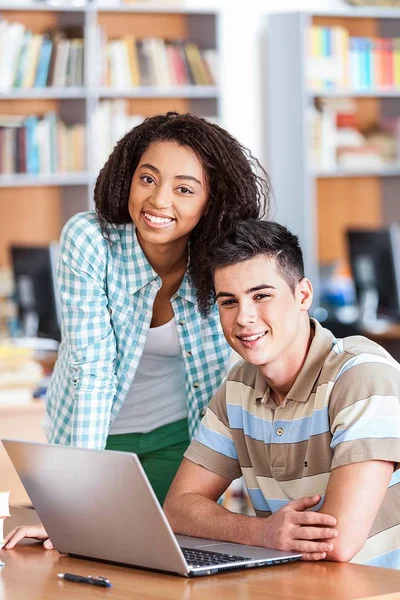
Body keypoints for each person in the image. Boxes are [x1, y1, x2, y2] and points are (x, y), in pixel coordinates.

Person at [42, 113, 269, 504]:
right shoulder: (90, 240)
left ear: (211, 201)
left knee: (175, 555)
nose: (159, 200)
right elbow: (92, 371)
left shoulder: (223, 258)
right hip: (96, 434)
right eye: (148, 179)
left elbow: (252, 346)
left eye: (184, 189)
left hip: (180, 437)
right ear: (127, 177)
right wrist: (78, 488)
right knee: (88, 547)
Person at [161, 219, 400, 568]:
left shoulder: (363, 376)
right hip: (295, 585)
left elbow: (337, 543)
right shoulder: (238, 387)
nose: (244, 318)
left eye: (261, 296)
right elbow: (178, 507)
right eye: (229, 302)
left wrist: (266, 535)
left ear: (302, 295)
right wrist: (263, 533)